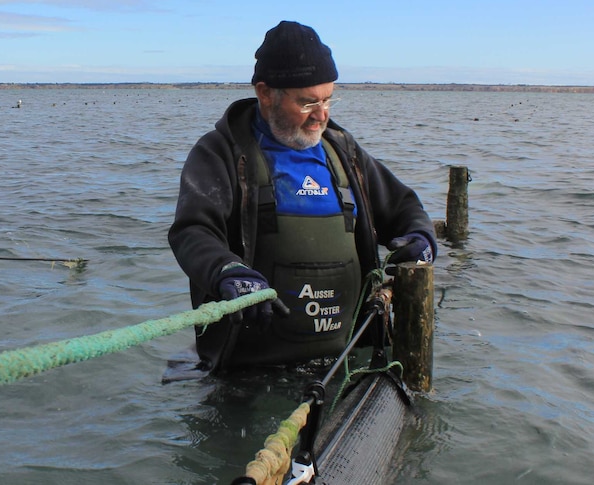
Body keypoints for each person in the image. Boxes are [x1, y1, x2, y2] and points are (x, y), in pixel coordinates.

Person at [168, 20, 437, 373]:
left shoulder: (343, 152)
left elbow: (403, 206)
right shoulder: (219, 153)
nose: (322, 115)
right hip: (250, 369)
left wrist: (422, 238)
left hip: (347, 360)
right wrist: (227, 271)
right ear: (265, 93)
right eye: (307, 103)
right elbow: (192, 231)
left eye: (328, 99)